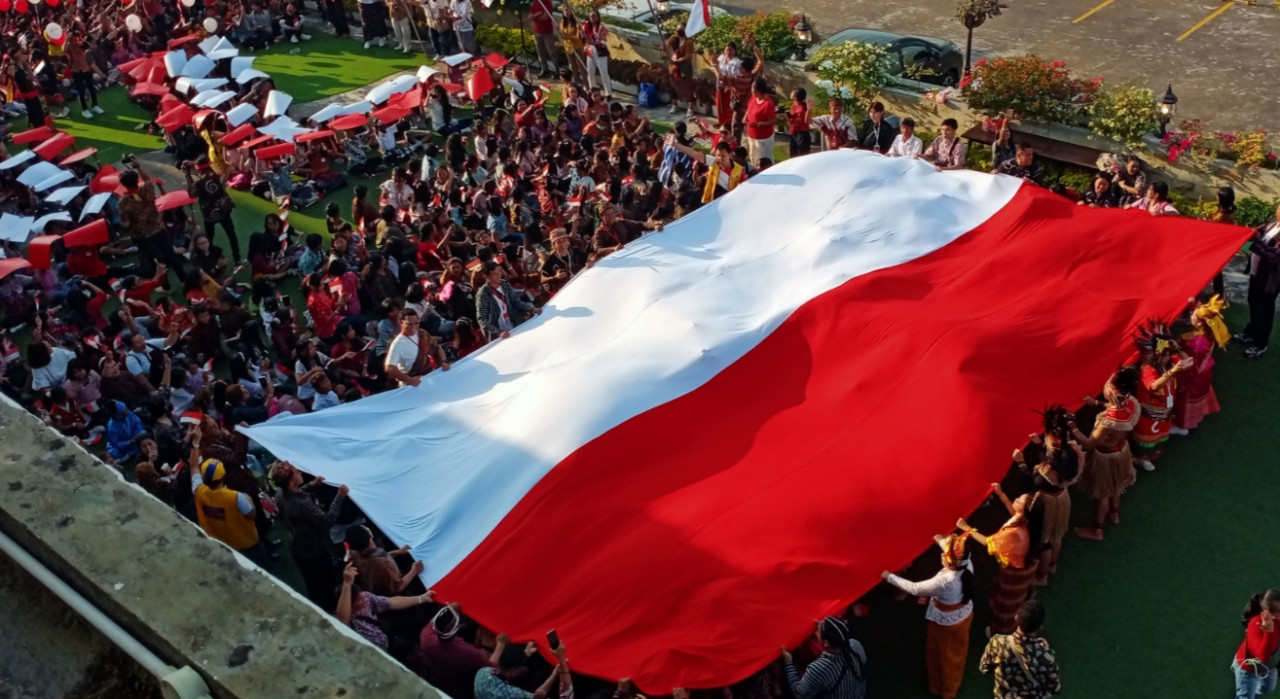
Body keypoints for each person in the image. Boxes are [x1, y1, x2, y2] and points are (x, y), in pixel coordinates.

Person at [881, 533, 974, 699]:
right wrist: (940, 541)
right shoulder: (966, 564)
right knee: (956, 651)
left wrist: (890, 577)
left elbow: (915, 589)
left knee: (943, 655)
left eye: (944, 554)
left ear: (948, 561)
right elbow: (954, 553)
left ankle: (944, 689)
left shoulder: (946, 581)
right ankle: (949, 686)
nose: (942, 555)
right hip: (963, 613)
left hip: (946, 623)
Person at [1071, 366, 1142, 540]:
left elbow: (1089, 443)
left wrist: (1070, 425)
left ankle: (1097, 530)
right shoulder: (1132, 403)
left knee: (1103, 493)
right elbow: (1117, 406)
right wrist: (1097, 403)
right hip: (1121, 450)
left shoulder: (1109, 420)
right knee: (1116, 485)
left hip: (1106, 457)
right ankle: (1114, 514)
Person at [188, 428, 270, 568]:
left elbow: (193, 467)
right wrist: (249, 500)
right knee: (264, 569)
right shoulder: (236, 497)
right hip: (248, 543)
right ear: (224, 476)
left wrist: (196, 443)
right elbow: (251, 515)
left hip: (224, 545)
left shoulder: (199, 492)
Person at [271, 461, 348, 609]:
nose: (300, 472)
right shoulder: (302, 505)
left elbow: (297, 493)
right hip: (313, 552)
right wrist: (340, 496)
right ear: (291, 481)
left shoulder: (280, 494)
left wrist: (312, 485)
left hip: (298, 547)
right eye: (296, 472)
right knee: (324, 587)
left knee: (312, 585)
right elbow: (327, 521)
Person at [959, 487, 1035, 636]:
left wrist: (966, 528)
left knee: (1006, 603)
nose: (1016, 498)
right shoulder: (1028, 520)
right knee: (1013, 597)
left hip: (1014, 572)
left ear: (1024, 511)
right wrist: (1001, 494)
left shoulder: (1015, 533)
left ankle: (1000, 631)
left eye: (1020, 500)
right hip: (1023, 564)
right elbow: (1014, 512)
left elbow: (989, 543)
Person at [1131, 322, 1193, 471]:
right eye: (1164, 355)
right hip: (1149, 415)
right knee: (1146, 438)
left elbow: (1188, 362)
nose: (1167, 357)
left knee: (1161, 432)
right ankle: (1141, 459)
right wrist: (1172, 372)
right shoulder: (1147, 368)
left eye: (1168, 353)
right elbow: (1153, 386)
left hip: (1165, 411)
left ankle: (1165, 436)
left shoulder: (1169, 362)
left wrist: (1177, 348)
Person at [336, 560, 435, 651]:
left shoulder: (365, 597)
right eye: (357, 601)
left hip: (385, 642)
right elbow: (343, 621)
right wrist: (347, 584)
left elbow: (392, 602)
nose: (361, 600)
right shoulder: (344, 620)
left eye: (360, 597)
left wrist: (421, 598)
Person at [978, 600, 1062, 699]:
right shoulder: (1046, 656)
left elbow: (984, 668)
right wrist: (1046, 651)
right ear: (1040, 627)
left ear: (1016, 617)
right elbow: (1055, 688)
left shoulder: (998, 643)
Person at [1172, 296, 1227, 435]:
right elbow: (1201, 311)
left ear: (1199, 323)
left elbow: (1191, 365)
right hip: (1204, 373)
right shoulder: (1209, 332)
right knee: (1197, 396)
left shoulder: (1197, 343)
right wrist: (1194, 304)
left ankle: (1182, 427)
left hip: (1193, 376)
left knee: (1185, 400)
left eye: (1193, 315)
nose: (1191, 316)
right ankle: (1193, 420)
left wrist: (1176, 349)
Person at [415, 604, 493, 699]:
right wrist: (499, 644)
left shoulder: (426, 638)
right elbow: (491, 669)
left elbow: (433, 622)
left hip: (438, 678)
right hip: (462, 688)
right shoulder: (468, 653)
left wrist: (449, 609)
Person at [780, 616, 867, 699]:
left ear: (826, 643)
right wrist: (824, 628)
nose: (816, 632)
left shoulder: (819, 669)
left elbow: (800, 694)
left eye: (818, 632)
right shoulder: (856, 645)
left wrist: (788, 662)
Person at [1239, 204, 1280, 358]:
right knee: (1253, 303)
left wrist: (1255, 240)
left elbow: (1274, 255)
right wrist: (1249, 232)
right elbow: (1258, 231)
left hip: (1270, 280)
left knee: (1265, 311)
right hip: (1256, 273)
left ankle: (1260, 343)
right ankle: (1250, 333)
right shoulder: (1273, 223)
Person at [1234, 590, 1280, 699]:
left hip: (1268, 666)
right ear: (1268, 613)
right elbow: (1262, 657)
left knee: (1267, 688)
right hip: (1248, 669)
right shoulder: (1256, 625)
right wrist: (1268, 632)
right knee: (1245, 696)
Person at [476, 261, 539, 341]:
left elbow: (517, 301)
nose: (499, 275)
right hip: (499, 336)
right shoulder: (483, 294)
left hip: (513, 326)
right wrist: (498, 332)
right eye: (495, 274)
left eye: (499, 271)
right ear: (486, 276)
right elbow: (482, 319)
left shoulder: (504, 284)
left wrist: (532, 309)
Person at [743, 78, 777, 167]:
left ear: (758, 91)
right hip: (751, 134)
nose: (751, 91)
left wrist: (758, 124)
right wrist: (745, 118)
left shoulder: (768, 104)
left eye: (753, 90)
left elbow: (772, 121)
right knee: (753, 156)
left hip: (763, 138)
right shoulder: (753, 98)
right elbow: (749, 109)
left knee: (764, 159)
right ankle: (755, 171)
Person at [582, 11, 612, 99]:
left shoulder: (601, 27)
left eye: (595, 16)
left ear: (598, 17)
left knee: (603, 73)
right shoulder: (586, 26)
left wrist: (594, 43)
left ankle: (608, 93)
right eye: (591, 16)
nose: (593, 17)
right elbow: (582, 37)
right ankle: (593, 90)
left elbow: (603, 41)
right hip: (590, 51)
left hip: (600, 52)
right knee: (590, 72)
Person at [667, 29, 695, 118]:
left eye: (681, 29)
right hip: (673, 66)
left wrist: (678, 60)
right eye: (678, 29)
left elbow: (688, 56)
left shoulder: (689, 42)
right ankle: (674, 104)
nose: (679, 30)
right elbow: (668, 48)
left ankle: (690, 108)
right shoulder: (674, 39)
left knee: (687, 86)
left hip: (684, 67)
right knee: (673, 85)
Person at [529, 0, 557, 78]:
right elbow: (529, 17)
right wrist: (538, 14)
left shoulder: (548, 3)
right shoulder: (535, 3)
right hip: (538, 32)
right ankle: (544, 69)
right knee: (540, 52)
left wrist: (534, 17)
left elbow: (545, 17)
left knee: (551, 52)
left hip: (547, 32)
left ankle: (556, 70)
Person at [786, 88, 812, 157]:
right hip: (794, 133)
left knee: (801, 156)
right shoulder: (794, 105)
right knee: (793, 156)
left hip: (802, 134)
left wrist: (786, 116)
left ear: (796, 96)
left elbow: (797, 122)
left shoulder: (802, 108)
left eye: (793, 92)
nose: (791, 93)